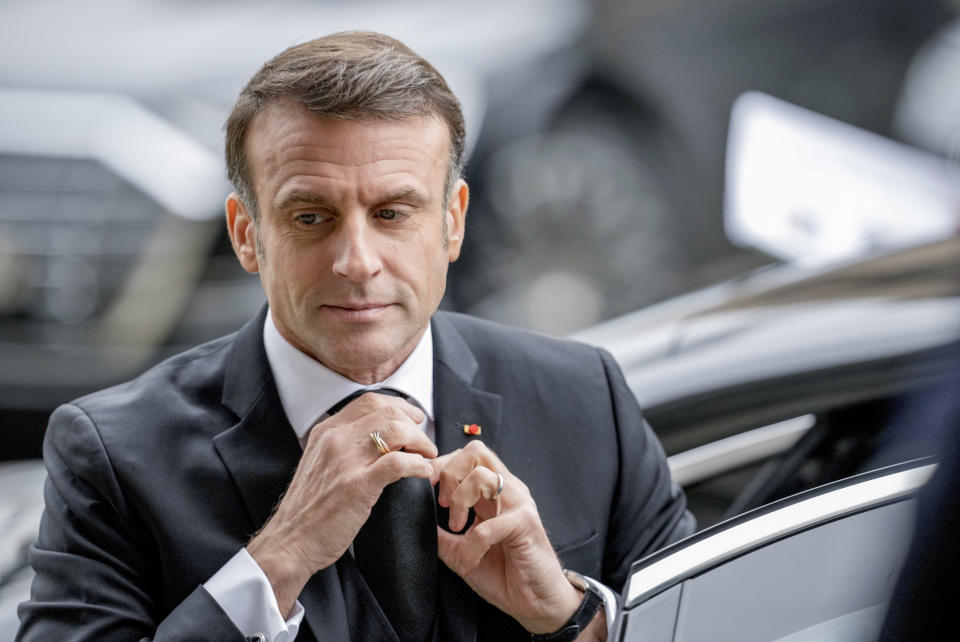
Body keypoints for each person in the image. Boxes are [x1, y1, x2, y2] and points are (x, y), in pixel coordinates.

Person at [17, 31, 694, 642]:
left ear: (453, 222)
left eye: (393, 212)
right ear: (247, 235)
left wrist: (573, 619)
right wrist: (278, 557)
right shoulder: (111, 454)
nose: (357, 261)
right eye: (311, 217)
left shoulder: (585, 400)